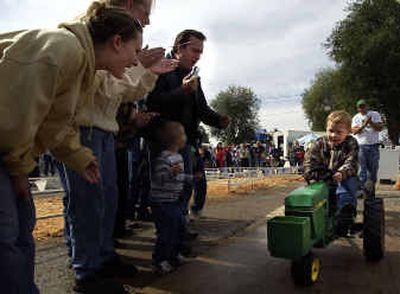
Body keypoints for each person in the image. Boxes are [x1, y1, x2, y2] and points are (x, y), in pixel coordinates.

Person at [0, 3, 140, 293]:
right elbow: (14, 116)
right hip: (6, 147)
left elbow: (56, 123)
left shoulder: (81, 64)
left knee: (22, 230)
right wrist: (18, 170)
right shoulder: (63, 49)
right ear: (117, 42)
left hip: (9, 150)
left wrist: (78, 156)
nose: (134, 62)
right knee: (6, 237)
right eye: (134, 52)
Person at [64, 1, 178, 293]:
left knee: (106, 199)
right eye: (145, 14)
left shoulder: (116, 40)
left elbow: (123, 88)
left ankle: (102, 258)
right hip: (83, 129)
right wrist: (142, 67)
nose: (148, 23)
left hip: (101, 129)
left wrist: (149, 72)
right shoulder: (93, 35)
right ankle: (86, 272)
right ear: (128, 4)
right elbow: (109, 86)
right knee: (88, 202)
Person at [147, 29, 230, 218]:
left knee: (185, 189)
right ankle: (169, 239)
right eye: (195, 51)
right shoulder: (160, 68)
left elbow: (201, 108)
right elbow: (153, 103)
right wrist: (181, 91)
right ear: (179, 48)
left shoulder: (193, 77)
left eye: (200, 52)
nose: (198, 56)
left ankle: (180, 230)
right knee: (168, 191)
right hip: (164, 142)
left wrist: (219, 120)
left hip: (187, 141)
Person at [304, 111, 359, 235]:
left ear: (348, 132)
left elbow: (351, 162)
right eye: (330, 131)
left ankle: (345, 214)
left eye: (339, 132)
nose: (334, 135)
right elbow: (309, 161)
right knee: (314, 190)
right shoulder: (319, 143)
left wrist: (341, 172)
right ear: (326, 129)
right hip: (324, 176)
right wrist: (311, 174)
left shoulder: (351, 143)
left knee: (345, 187)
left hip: (344, 176)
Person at [149, 121, 190, 274]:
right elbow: (158, 178)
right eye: (183, 134)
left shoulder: (178, 156)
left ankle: (173, 255)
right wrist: (170, 173)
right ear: (175, 139)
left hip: (175, 200)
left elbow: (179, 176)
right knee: (166, 231)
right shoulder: (164, 158)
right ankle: (159, 260)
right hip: (162, 202)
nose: (185, 137)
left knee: (178, 227)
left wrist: (191, 178)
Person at [351, 99, 384, 192]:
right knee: (362, 169)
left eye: (363, 106)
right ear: (358, 108)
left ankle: (371, 189)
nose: (362, 108)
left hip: (373, 146)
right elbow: (354, 131)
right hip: (361, 146)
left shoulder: (375, 114)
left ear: (367, 106)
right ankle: (362, 189)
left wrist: (371, 122)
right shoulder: (356, 118)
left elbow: (380, 128)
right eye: (360, 107)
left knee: (373, 169)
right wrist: (364, 125)